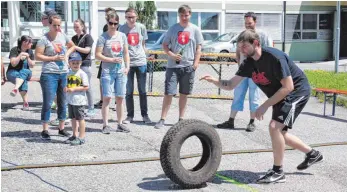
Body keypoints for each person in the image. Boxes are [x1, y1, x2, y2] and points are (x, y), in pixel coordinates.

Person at [200, 29, 323, 183]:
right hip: (281, 94)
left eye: (244, 47)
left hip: (296, 92)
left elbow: (288, 87)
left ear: (256, 43)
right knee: (280, 133)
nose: (241, 51)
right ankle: (312, 154)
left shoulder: (274, 57)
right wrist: (215, 81)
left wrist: (264, 105)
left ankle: (278, 172)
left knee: (274, 127)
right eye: (239, 48)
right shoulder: (248, 63)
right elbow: (231, 84)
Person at [217, 12, 273, 132]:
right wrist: (240, 66)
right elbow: (238, 52)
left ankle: (252, 122)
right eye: (246, 23)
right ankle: (230, 121)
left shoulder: (262, 35)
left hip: (256, 73)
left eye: (250, 23)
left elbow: (268, 52)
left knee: (254, 97)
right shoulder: (242, 35)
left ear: (255, 22)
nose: (248, 25)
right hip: (243, 72)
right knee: (237, 95)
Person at [154, 5, 203, 129]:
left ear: (190, 15)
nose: (184, 17)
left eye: (186, 15)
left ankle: (181, 119)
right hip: (173, 67)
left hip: (188, 67)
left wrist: (196, 64)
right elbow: (165, 45)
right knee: (169, 93)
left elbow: (199, 48)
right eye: (182, 15)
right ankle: (162, 119)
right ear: (179, 15)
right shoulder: (173, 29)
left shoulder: (195, 29)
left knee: (183, 94)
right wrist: (171, 55)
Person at [35, 14, 75, 140]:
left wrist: (67, 54)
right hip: (49, 74)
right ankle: (45, 129)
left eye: (59, 25)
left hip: (63, 73)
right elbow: (37, 56)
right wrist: (53, 58)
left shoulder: (63, 36)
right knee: (48, 101)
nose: (57, 27)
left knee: (63, 101)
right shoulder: (44, 39)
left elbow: (72, 45)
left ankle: (61, 129)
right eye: (55, 25)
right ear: (49, 25)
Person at [95, 11, 130, 134]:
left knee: (120, 98)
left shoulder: (122, 36)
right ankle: (105, 124)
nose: (113, 26)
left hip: (120, 71)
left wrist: (127, 67)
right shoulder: (103, 37)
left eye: (116, 23)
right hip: (107, 71)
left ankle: (120, 123)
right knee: (107, 98)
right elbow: (97, 54)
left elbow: (126, 52)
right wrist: (111, 59)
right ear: (107, 23)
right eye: (111, 23)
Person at [119, 7, 151, 124]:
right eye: (128, 17)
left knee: (142, 91)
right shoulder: (122, 29)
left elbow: (143, 44)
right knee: (128, 91)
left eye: (132, 17)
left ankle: (145, 115)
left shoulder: (141, 27)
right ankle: (130, 116)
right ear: (125, 17)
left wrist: (147, 55)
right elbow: (121, 46)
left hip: (141, 62)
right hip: (128, 64)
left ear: (136, 17)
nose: (131, 19)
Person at [94, 7, 118, 109]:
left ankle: (117, 101)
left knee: (117, 81)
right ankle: (102, 100)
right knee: (101, 79)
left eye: (108, 14)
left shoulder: (117, 27)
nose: (106, 16)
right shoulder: (105, 27)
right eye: (106, 15)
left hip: (115, 60)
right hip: (105, 58)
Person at [64, 52, 89, 145]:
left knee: (80, 118)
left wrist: (74, 89)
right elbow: (66, 84)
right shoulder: (68, 73)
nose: (75, 65)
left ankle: (81, 137)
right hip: (71, 100)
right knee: (73, 118)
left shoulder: (82, 74)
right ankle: (74, 135)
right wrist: (66, 88)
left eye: (77, 63)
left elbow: (86, 87)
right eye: (73, 63)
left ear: (81, 63)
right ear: (69, 63)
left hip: (79, 101)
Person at [72, 18, 95, 117]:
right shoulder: (73, 38)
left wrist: (75, 48)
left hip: (85, 64)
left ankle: (91, 108)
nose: (75, 28)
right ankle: (78, 106)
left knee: (87, 86)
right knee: (76, 85)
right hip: (75, 64)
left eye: (77, 27)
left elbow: (87, 50)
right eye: (74, 27)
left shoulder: (88, 37)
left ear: (82, 26)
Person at [7, 35, 36, 110]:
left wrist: (28, 57)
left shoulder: (30, 51)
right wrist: (20, 55)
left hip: (26, 72)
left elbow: (32, 65)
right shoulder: (14, 50)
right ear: (24, 42)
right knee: (23, 80)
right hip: (12, 72)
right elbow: (13, 64)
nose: (32, 44)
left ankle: (15, 89)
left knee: (25, 71)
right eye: (30, 42)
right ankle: (25, 103)